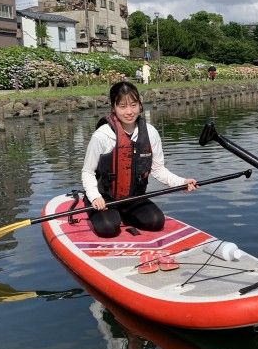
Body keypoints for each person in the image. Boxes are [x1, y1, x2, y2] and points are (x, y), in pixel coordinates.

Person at [81, 81, 197, 238]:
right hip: (105, 200)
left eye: (133, 105)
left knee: (156, 221)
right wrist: (95, 196)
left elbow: (158, 169)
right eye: (122, 106)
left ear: (140, 106)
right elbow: (87, 172)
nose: (129, 111)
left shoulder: (150, 132)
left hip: (134, 198)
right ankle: (106, 213)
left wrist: (181, 182)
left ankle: (124, 215)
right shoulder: (102, 136)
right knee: (108, 228)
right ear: (113, 108)